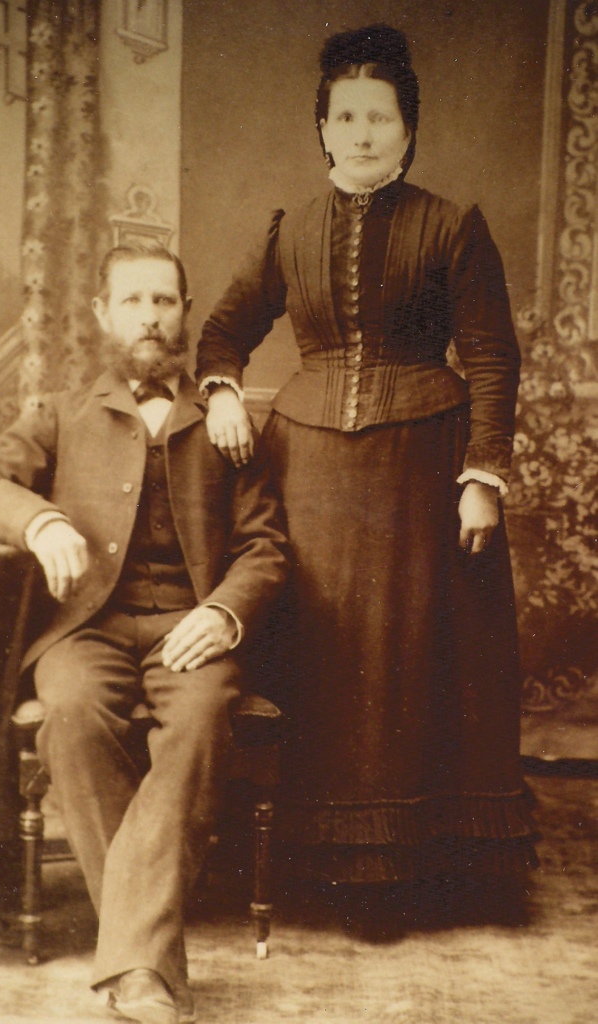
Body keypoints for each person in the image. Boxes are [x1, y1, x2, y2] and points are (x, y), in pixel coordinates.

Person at [196, 24, 538, 913]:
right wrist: (223, 391)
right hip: (306, 473)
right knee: (321, 651)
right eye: (344, 117)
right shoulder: (290, 231)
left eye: (379, 117)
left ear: (408, 128)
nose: (361, 134)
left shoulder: (452, 225)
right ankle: (305, 870)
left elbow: (492, 357)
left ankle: (418, 874)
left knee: (415, 659)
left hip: (424, 473)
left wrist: (482, 476)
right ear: (322, 129)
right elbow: (223, 330)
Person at [0, 242, 290, 1024]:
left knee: (201, 721)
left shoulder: (228, 424)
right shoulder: (59, 414)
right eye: (132, 301)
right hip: (86, 628)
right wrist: (39, 521)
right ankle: (145, 964)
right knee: (68, 712)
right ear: (103, 313)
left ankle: (133, 967)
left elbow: (265, 547)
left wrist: (223, 613)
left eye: (163, 300)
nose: (149, 317)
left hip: (191, 630)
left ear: (186, 311)